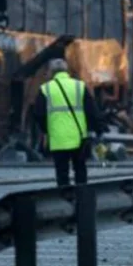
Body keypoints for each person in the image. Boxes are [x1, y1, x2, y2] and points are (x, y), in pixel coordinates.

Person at [33, 59, 106, 187]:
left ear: (51, 73)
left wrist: (46, 130)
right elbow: (92, 111)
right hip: (79, 138)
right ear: (67, 71)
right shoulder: (79, 86)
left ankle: (65, 199)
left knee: (62, 173)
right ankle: (82, 200)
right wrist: (99, 130)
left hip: (58, 139)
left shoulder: (45, 89)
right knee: (80, 171)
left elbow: (38, 114)